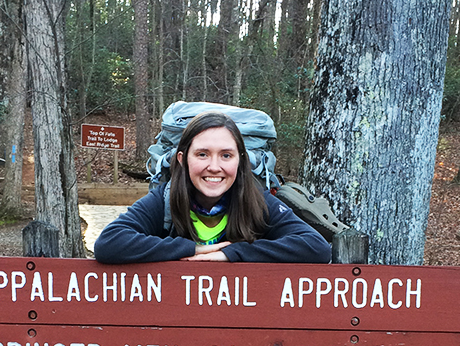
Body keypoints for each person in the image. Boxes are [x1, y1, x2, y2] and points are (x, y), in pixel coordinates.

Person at [93, 111, 331, 264]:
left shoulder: (257, 200)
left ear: (240, 160)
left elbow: (315, 247)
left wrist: (231, 254)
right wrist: (191, 249)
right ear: (182, 159)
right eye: (202, 154)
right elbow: (110, 243)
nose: (214, 166)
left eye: (226, 155)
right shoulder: (164, 199)